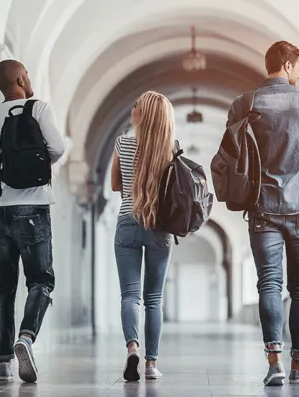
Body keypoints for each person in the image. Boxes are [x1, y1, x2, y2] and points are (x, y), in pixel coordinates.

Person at [226, 41, 299, 386]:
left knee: (268, 284)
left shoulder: (244, 104)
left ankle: (275, 363)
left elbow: (232, 153)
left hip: (262, 208)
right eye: (298, 67)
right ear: (287, 65)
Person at [0, 59, 66, 383]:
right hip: (33, 206)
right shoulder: (37, 109)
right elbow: (57, 148)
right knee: (41, 280)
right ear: (19, 78)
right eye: (26, 74)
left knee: (2, 288)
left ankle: (2, 363)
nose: (29, 79)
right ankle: (25, 338)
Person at [110, 91, 175, 382]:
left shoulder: (122, 142)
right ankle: (150, 364)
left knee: (130, 296)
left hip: (127, 221)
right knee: (154, 299)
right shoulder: (171, 148)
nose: (131, 109)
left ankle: (132, 348)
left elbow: (115, 185)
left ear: (143, 114)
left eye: (135, 106)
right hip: (159, 226)